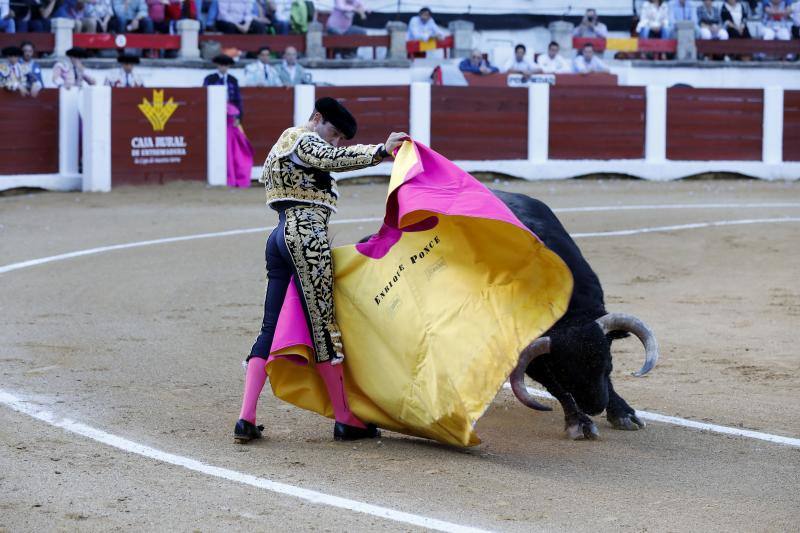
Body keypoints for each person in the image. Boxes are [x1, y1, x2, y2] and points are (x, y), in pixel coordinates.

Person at [234, 96, 408, 443]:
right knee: (324, 326)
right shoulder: (304, 138)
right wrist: (379, 151)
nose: (336, 141)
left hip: (279, 235)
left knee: (270, 326)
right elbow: (331, 157)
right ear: (316, 118)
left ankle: (246, 417)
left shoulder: (284, 144)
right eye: (335, 132)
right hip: (306, 236)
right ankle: (345, 418)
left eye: (342, 137)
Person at [226, 102, 253, 188]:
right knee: (237, 157)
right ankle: (238, 179)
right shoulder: (234, 109)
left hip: (228, 135)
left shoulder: (228, 108)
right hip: (234, 133)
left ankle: (231, 179)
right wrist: (243, 136)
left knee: (230, 157)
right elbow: (237, 124)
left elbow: (236, 123)